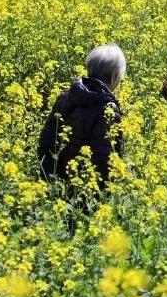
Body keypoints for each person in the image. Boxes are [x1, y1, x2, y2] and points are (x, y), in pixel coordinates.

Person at [38, 44, 126, 193]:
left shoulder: (66, 96)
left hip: (58, 182)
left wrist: (47, 177)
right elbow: (105, 157)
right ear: (114, 76)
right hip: (87, 188)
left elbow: (47, 139)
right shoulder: (108, 109)